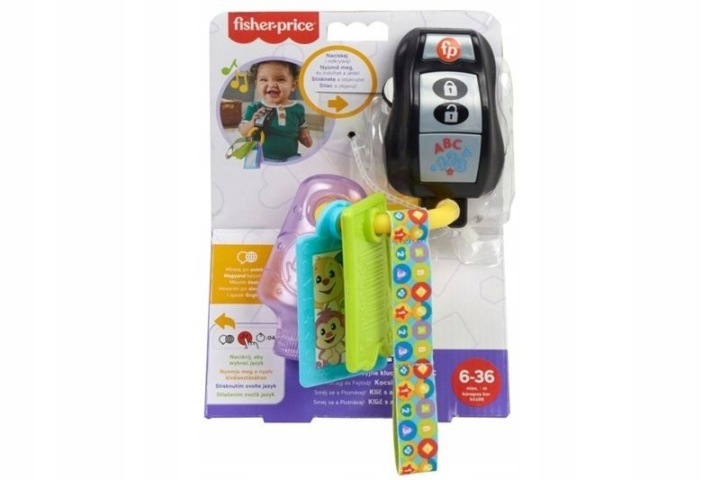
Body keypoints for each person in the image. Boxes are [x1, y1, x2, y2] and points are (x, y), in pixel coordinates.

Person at [239, 60, 313, 162]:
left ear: (293, 85)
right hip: (262, 158)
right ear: (257, 84)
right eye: (264, 80)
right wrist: (252, 122)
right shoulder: (254, 108)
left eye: (280, 79)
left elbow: (302, 128)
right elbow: (243, 131)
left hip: (291, 157)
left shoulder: (298, 108)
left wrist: (305, 136)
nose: (271, 84)